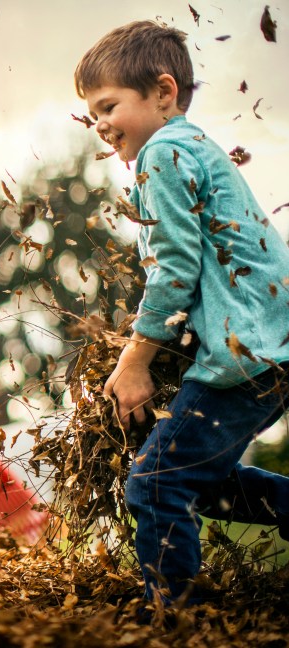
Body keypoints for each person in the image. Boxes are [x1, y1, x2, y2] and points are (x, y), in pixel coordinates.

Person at [75, 20, 289, 607]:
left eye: (108, 105)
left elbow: (175, 268)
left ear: (163, 93)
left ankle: (177, 618)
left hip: (243, 355)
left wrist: (136, 359)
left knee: (154, 482)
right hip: (267, 350)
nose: (98, 123)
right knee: (193, 477)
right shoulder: (194, 149)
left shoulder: (163, 153)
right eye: (91, 112)